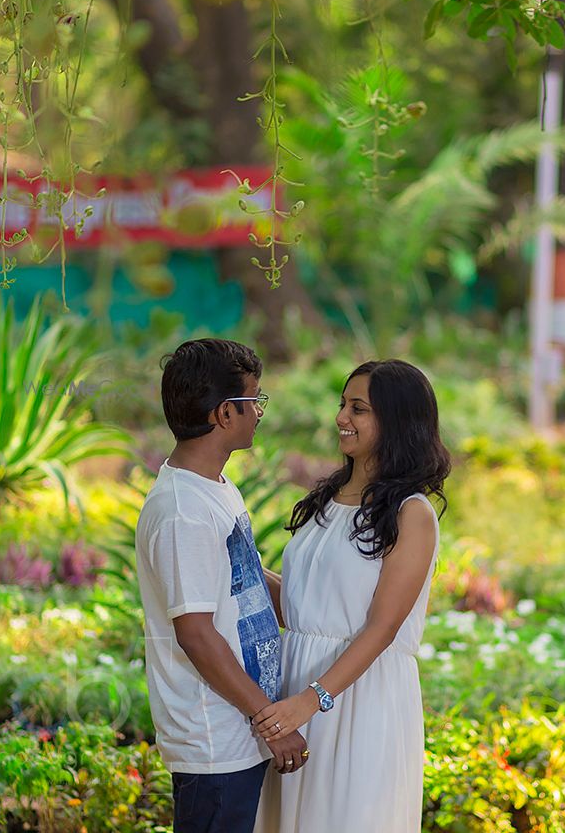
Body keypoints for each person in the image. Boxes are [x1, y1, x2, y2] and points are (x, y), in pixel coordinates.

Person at [253, 359, 451, 833]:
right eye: (343, 404)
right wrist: (246, 567)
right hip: (295, 691)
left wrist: (312, 698)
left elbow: (383, 627)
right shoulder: (328, 497)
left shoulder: (412, 513)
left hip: (360, 702)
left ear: (398, 421)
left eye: (358, 408)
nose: (341, 417)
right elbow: (305, 610)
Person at [135, 338, 308, 833]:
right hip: (214, 740)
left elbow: (248, 578)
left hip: (239, 729)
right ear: (223, 414)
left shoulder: (213, 486)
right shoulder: (181, 510)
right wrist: (269, 720)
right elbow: (196, 634)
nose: (259, 412)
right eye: (254, 400)